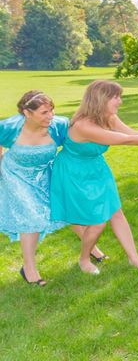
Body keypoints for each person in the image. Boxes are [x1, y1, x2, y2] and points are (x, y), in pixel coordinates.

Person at [50, 80, 138, 275]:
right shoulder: (83, 125)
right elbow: (127, 140)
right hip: (73, 172)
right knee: (95, 220)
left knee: (115, 212)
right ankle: (84, 259)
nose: (120, 102)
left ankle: (134, 258)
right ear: (100, 99)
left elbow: (133, 133)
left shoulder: (108, 117)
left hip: (96, 167)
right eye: (116, 97)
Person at [0, 91, 68, 286]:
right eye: (44, 112)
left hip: (43, 176)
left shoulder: (59, 126)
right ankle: (29, 269)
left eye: (52, 111)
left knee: (58, 211)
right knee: (32, 217)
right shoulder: (9, 127)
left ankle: (90, 251)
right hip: (15, 176)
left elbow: (77, 141)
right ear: (26, 113)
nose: (50, 116)